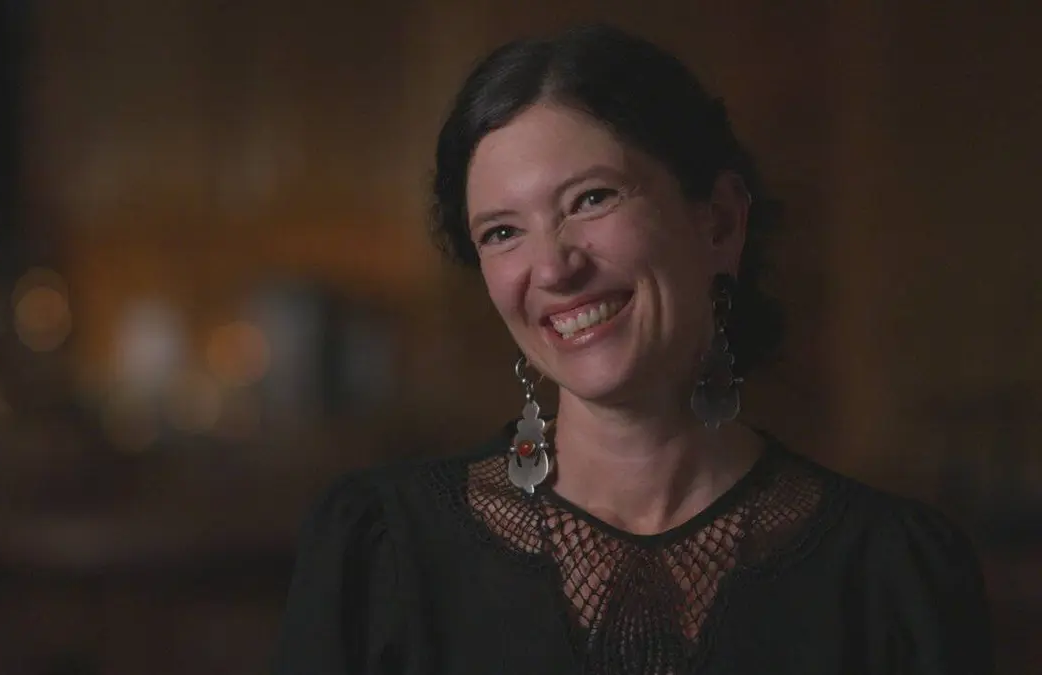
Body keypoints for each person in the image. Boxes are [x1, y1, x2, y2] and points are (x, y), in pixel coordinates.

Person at [273, 23, 993, 675]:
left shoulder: (897, 571)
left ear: (718, 222)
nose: (552, 268)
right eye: (502, 232)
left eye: (592, 199)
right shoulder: (382, 552)